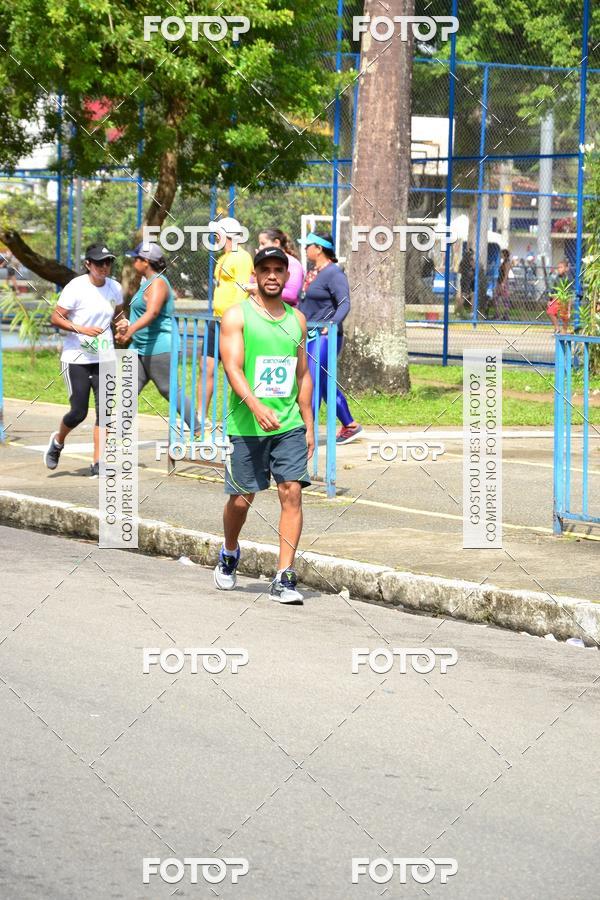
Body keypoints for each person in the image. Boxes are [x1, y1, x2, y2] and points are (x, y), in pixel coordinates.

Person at [216, 246, 314, 605]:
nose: (272, 275)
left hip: (287, 424)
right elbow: (233, 368)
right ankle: (229, 552)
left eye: (278, 269)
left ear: (287, 276)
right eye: (265, 270)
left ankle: (284, 576)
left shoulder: (297, 320)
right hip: (247, 426)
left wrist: (308, 424)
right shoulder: (236, 316)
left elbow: (302, 374)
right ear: (254, 275)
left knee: (292, 491)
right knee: (241, 501)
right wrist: (255, 406)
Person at [44, 243, 126, 477]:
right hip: (76, 357)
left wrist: (122, 324)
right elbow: (56, 317)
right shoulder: (76, 287)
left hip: (105, 356)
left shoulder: (114, 288)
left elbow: (118, 313)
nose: (104, 267)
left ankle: (98, 462)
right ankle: (58, 441)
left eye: (108, 262)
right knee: (78, 412)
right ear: (88, 264)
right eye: (99, 263)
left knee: (105, 412)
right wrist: (80, 329)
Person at [115, 242, 200, 433]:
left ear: (145, 262)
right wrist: (127, 325)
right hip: (139, 347)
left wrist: (130, 330)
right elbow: (142, 313)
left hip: (160, 347)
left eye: (136, 258)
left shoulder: (159, 282)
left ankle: (197, 429)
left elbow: (152, 313)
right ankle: (118, 435)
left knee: (169, 390)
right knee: (127, 389)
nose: (133, 262)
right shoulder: (146, 282)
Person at [298, 231, 362, 445]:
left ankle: (305, 432)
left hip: (326, 336)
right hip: (310, 334)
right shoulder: (312, 272)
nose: (305, 249)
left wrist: (332, 324)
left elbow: (344, 302)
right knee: (324, 383)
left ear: (319, 248)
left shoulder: (334, 273)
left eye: (308, 245)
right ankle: (350, 425)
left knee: (313, 381)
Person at [201, 217, 253, 428]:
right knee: (207, 367)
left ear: (225, 236)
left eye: (217, 235)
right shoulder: (223, 258)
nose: (215, 239)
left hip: (231, 324)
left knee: (234, 371)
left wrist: (234, 319)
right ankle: (200, 417)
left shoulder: (241, 258)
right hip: (216, 320)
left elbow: (242, 290)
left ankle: (240, 416)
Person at [246, 228, 304, 306]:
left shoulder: (293, 263)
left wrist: (259, 289)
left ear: (276, 243)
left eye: (263, 243)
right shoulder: (261, 261)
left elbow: (292, 295)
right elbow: (252, 282)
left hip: (283, 313)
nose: (260, 247)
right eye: (265, 269)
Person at [546, 259, 572, 334]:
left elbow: (569, 294)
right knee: (550, 311)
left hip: (564, 299)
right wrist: (550, 300)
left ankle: (564, 331)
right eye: (558, 267)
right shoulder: (556, 278)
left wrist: (569, 308)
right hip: (556, 299)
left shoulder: (568, 279)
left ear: (566, 269)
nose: (559, 269)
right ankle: (557, 328)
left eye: (561, 267)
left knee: (565, 317)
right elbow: (553, 290)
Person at [493, 248, 512, 321]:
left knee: (505, 299)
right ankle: (497, 314)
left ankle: (505, 315)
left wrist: (503, 283)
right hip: (499, 281)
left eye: (501, 254)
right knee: (496, 297)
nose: (500, 255)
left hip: (503, 282)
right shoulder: (503, 262)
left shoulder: (507, 262)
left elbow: (506, 274)